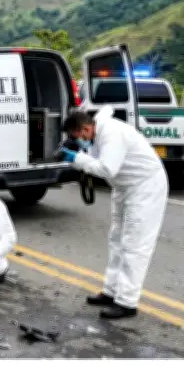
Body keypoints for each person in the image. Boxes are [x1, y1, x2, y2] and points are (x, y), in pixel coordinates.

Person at [60, 106, 168, 319]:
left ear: (85, 129)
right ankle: (111, 291)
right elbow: (97, 161)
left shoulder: (112, 133)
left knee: (134, 244)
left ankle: (127, 302)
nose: (80, 142)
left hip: (145, 186)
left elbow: (107, 168)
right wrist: (79, 154)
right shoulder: (96, 134)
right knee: (116, 239)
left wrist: (77, 159)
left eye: (77, 137)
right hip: (123, 187)